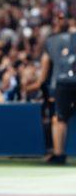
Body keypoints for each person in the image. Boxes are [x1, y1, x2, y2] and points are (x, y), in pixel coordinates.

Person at [38, 12, 76, 165]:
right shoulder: (54, 40)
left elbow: (44, 69)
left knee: (60, 118)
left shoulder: (50, 41)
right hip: (62, 83)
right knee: (59, 119)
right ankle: (58, 153)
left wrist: (39, 83)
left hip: (61, 83)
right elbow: (45, 66)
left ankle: (59, 154)